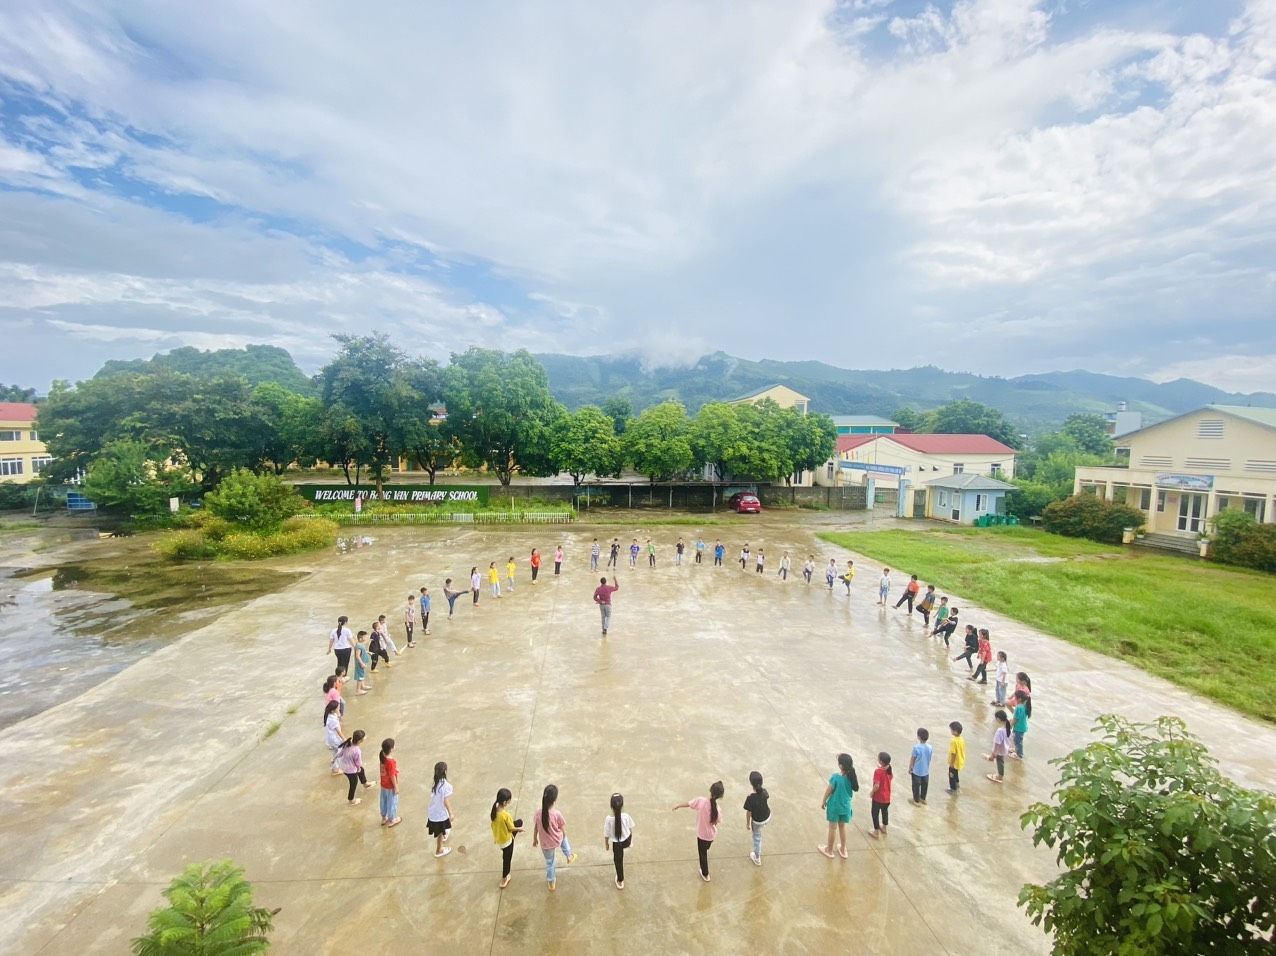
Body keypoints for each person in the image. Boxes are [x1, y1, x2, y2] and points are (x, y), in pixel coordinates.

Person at [673, 781, 724, 882]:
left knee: (702, 854)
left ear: (710, 790)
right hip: (711, 835)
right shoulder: (718, 809)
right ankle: (707, 849)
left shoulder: (701, 801)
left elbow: (689, 804)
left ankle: (705, 874)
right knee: (706, 847)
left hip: (702, 835)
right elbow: (716, 822)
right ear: (720, 796)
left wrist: (678, 806)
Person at [532, 784, 576, 890]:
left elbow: (536, 828)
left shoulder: (538, 813)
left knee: (549, 862)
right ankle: (569, 855)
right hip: (557, 839)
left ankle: (551, 883)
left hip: (545, 844)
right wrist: (564, 834)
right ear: (554, 800)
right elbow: (562, 828)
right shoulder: (556, 814)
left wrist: (535, 839)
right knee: (563, 836)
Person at [819, 754, 858, 859]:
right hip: (845, 807)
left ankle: (829, 850)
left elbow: (829, 790)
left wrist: (823, 801)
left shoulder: (835, 777)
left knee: (832, 827)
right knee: (842, 827)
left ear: (840, 766)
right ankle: (843, 849)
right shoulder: (852, 778)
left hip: (835, 807)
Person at [490, 788, 523, 888]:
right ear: (504, 802)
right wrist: (519, 829)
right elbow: (511, 828)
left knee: (519, 821)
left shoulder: (494, 811)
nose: (508, 803)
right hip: (506, 841)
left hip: (499, 838)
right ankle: (505, 878)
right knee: (507, 859)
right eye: (508, 802)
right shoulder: (505, 815)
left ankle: (516, 831)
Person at [603, 793, 635, 890]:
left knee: (618, 861)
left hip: (617, 844)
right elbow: (630, 828)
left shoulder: (608, 819)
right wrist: (630, 839)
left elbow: (606, 834)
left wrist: (606, 844)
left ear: (611, 806)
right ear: (622, 805)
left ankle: (620, 880)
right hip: (626, 840)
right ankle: (630, 844)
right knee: (628, 842)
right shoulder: (625, 816)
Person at [336, 729, 370, 806]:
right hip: (350, 770)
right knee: (353, 783)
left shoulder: (348, 743)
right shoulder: (357, 750)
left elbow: (340, 753)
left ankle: (365, 783)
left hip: (344, 766)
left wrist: (334, 758)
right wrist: (358, 768)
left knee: (362, 770)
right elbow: (358, 763)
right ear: (360, 740)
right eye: (364, 737)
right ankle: (351, 800)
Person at [743, 771, 770, 866]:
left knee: (757, 837)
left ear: (751, 783)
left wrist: (748, 824)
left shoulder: (750, 798)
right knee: (762, 826)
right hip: (767, 816)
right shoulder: (765, 792)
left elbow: (748, 812)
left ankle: (757, 858)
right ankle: (764, 824)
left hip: (757, 821)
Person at [428, 761, 454, 858]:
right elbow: (445, 801)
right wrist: (451, 813)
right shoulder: (445, 785)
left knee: (443, 828)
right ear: (445, 772)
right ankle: (439, 850)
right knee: (439, 833)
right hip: (439, 814)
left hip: (434, 811)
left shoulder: (436, 783)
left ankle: (444, 833)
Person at [867, 752, 892, 839]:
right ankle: (884, 827)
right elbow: (889, 777)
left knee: (875, 813)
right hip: (887, 797)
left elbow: (877, 784)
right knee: (885, 812)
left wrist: (872, 792)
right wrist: (881, 768)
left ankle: (876, 831)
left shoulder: (877, 772)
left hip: (878, 798)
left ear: (881, 761)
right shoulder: (889, 769)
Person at [379, 738, 401, 828]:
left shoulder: (382, 755)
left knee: (383, 800)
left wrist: (394, 770)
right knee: (392, 802)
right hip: (390, 785)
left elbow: (387, 770)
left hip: (383, 783)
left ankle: (384, 817)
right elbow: (392, 775)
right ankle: (392, 819)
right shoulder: (390, 761)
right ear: (391, 749)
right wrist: (396, 786)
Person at [984, 710, 1011, 783]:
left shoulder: (1000, 731)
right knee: (1000, 761)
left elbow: (997, 744)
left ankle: (1000, 777)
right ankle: (1000, 775)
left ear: (998, 719)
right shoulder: (1008, 727)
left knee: (1000, 763)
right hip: (1005, 748)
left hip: (1000, 751)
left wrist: (993, 755)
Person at [909, 728, 932, 806]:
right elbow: (929, 758)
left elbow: (913, 758)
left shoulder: (916, 747)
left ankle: (916, 801)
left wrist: (910, 767)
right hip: (925, 771)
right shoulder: (930, 747)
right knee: (924, 785)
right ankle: (923, 798)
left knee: (916, 787)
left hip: (917, 771)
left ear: (918, 737)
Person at [946, 722, 965, 795]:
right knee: (956, 774)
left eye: (951, 730)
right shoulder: (961, 740)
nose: (950, 731)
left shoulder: (954, 741)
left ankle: (953, 789)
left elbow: (953, 753)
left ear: (955, 732)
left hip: (954, 763)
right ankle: (957, 784)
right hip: (959, 761)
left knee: (952, 775)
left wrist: (951, 763)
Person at [1010, 690, 1030, 759]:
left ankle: (1019, 754)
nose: (1014, 698)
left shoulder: (1018, 707)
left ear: (1019, 699)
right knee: (1018, 740)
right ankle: (1017, 750)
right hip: (1022, 726)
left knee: (1018, 741)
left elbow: (1016, 719)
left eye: (1015, 697)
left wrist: (1011, 725)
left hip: (1018, 727)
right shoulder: (1025, 706)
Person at [323, 700, 343, 768]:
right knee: (340, 752)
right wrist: (345, 739)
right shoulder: (332, 720)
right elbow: (339, 732)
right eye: (337, 708)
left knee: (336, 751)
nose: (339, 709)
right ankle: (335, 768)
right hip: (335, 739)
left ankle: (333, 761)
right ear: (333, 710)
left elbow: (339, 717)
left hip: (333, 739)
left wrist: (339, 715)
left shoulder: (332, 714)